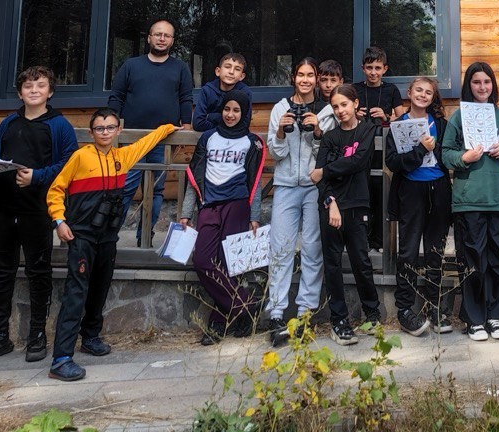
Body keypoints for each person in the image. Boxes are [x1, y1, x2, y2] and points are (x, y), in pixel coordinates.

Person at [45, 110, 177, 381]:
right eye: (99, 128)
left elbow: (146, 143)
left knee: (100, 286)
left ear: (118, 130)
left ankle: (90, 336)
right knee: (76, 292)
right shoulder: (80, 157)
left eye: (110, 127)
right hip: (80, 234)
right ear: (91, 132)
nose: (105, 132)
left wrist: (167, 127)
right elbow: (56, 189)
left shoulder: (122, 157)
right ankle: (61, 358)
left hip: (107, 236)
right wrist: (59, 220)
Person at [0, 66, 78, 365]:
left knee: (38, 271)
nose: (34, 90)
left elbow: (69, 164)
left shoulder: (59, 125)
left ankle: (37, 336)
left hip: (37, 208)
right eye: (28, 86)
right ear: (20, 92)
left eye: (40, 85)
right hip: (4, 207)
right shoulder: (8, 122)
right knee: (1, 272)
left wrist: (38, 176)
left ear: (50, 91)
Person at [441, 60, 499, 342]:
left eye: (487, 82)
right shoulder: (458, 118)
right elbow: (445, 153)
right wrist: (463, 158)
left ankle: (496, 315)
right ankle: (474, 319)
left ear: (493, 85)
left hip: (498, 199)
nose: (482, 87)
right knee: (473, 259)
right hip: (469, 199)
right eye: (476, 82)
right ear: (468, 86)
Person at [181, 92, 266, 343]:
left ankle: (218, 325)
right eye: (226, 109)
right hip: (208, 204)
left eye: (236, 110)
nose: (230, 115)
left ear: (244, 113)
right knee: (204, 260)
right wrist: (187, 211)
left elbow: (256, 181)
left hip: (237, 204)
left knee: (229, 264)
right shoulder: (209, 137)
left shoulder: (253, 142)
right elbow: (195, 175)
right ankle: (247, 306)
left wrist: (255, 215)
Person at [264, 57, 336, 345]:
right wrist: (281, 130)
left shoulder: (326, 110)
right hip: (284, 185)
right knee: (280, 248)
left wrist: (317, 129)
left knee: (311, 249)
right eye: (301, 75)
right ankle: (277, 313)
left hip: (313, 186)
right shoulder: (280, 108)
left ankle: (305, 312)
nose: (305, 80)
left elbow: (327, 151)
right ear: (294, 78)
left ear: (316, 80)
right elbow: (276, 152)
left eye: (310, 75)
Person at [107, 19, 194, 244]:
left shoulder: (180, 68)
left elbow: (186, 98)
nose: (162, 38)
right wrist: (112, 123)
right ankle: (109, 237)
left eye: (166, 35)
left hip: (164, 140)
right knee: (125, 188)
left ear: (172, 40)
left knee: (155, 191)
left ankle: (144, 237)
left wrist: (186, 128)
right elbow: (116, 96)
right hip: (132, 140)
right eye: (158, 34)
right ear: (149, 38)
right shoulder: (131, 66)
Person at [310, 84, 380, 344]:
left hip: (358, 205)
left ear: (355, 104)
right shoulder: (329, 138)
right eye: (336, 106)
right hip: (332, 208)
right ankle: (339, 320)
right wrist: (331, 201)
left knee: (361, 261)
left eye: (344, 105)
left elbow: (358, 161)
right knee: (333, 264)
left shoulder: (367, 130)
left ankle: (372, 313)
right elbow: (318, 176)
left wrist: (327, 170)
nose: (340, 111)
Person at [385, 76, 452, 336]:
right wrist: (420, 150)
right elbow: (394, 162)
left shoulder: (442, 125)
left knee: (435, 251)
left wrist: (436, 152)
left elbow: (447, 158)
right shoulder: (398, 125)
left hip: (439, 190)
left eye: (428, 92)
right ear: (409, 92)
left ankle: (433, 306)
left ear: (433, 97)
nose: (423, 95)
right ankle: (404, 309)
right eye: (419, 90)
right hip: (410, 192)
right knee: (409, 251)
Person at [353, 45, 400, 251]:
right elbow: (343, 116)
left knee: (382, 196)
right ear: (362, 68)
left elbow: (401, 119)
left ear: (385, 69)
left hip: (384, 151)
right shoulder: (354, 89)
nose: (373, 72)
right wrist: (356, 116)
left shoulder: (391, 90)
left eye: (377, 68)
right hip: (360, 148)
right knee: (362, 196)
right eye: (369, 67)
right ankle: (361, 240)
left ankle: (380, 242)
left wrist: (386, 116)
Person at [194, 52, 253, 133]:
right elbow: (198, 123)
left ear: (241, 76)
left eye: (237, 69)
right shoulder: (207, 91)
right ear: (218, 71)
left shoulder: (245, 93)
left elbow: (244, 125)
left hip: (235, 141)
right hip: (210, 140)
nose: (231, 72)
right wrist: (226, 127)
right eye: (227, 67)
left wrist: (211, 116)